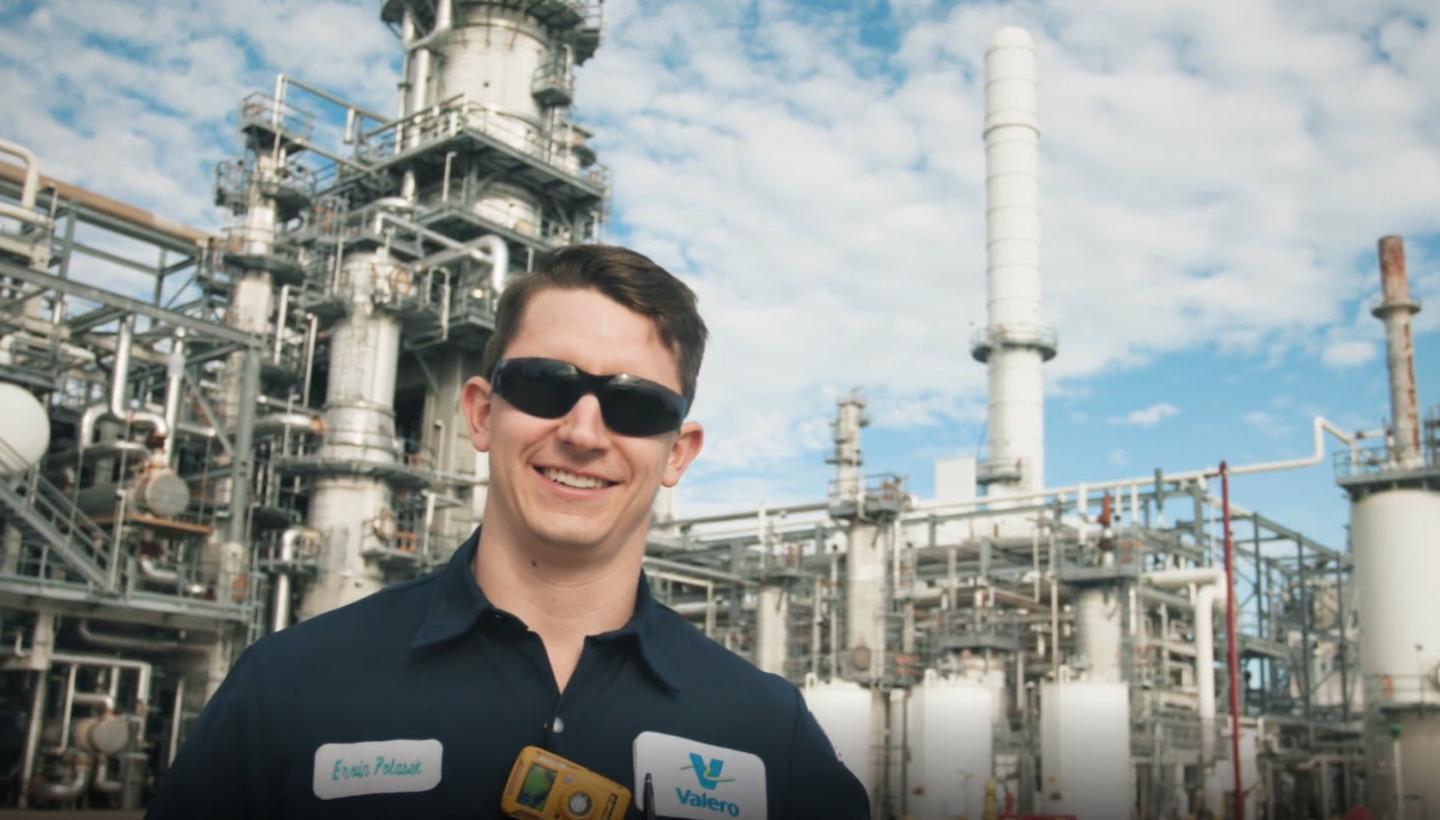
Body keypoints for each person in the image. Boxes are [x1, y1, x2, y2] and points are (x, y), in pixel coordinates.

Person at [147, 244, 870, 819]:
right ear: (483, 413)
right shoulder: (291, 690)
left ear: (677, 452)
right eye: (545, 386)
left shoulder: (766, 731)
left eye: (637, 405)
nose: (584, 432)